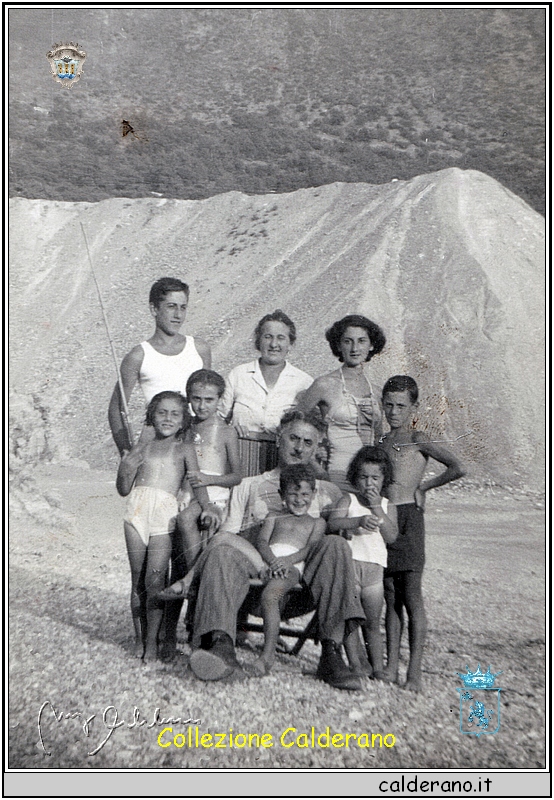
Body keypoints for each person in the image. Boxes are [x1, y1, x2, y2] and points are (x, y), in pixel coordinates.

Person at [187, 409, 366, 690]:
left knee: (336, 543)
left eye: (308, 442)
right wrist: (265, 563)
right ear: (278, 438)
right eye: (294, 438)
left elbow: (336, 548)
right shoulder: (250, 485)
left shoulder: (328, 492)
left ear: (318, 447)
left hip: (303, 589)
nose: (299, 447)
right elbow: (229, 534)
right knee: (222, 549)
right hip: (250, 587)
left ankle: (331, 653)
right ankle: (222, 646)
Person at [378, 375, 465, 691]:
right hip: (386, 518)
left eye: (401, 405)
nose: (393, 411)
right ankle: (389, 667)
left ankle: (414, 674)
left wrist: (425, 487)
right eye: (388, 404)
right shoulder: (380, 442)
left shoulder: (419, 438)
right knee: (390, 595)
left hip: (410, 518)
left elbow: (458, 467)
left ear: (413, 406)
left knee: (411, 595)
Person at [116, 391, 217, 662]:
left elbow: (196, 481)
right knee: (137, 578)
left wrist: (206, 505)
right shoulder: (142, 448)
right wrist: (124, 468)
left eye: (175, 413)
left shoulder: (184, 449)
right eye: (162, 412)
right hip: (137, 509)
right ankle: (140, 639)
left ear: (184, 418)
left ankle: (153, 643)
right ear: (151, 415)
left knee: (155, 579)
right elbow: (124, 489)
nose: (168, 418)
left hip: (164, 513)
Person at [158, 370, 242, 648]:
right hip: (186, 492)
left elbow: (236, 476)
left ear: (220, 399)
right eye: (196, 399)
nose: (202, 405)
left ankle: (195, 578)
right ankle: (167, 632)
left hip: (213, 494)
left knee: (187, 519)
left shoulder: (226, 432)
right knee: (174, 551)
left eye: (209, 399)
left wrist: (209, 479)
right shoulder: (185, 428)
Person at [108, 277, 211, 455]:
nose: (178, 315)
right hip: (156, 445)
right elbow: (116, 408)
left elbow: (210, 397)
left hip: (194, 442)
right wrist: (126, 450)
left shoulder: (199, 349)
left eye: (183, 307)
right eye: (171, 306)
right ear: (154, 309)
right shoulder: (139, 355)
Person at [328, 446, 398, 679]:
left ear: (384, 479)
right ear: (354, 478)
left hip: (374, 571)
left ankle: (377, 667)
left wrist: (377, 507)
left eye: (375, 477)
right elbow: (332, 523)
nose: (369, 483)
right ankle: (356, 663)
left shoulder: (387, 505)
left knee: (372, 622)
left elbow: (391, 536)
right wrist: (356, 521)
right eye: (364, 477)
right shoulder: (348, 500)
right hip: (351, 566)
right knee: (351, 620)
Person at [252, 464, 326, 676]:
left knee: (270, 595)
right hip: (267, 562)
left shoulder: (316, 522)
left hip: (293, 567)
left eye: (305, 494)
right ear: (281, 494)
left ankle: (267, 656)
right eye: (293, 493)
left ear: (314, 494)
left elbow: (309, 548)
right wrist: (273, 562)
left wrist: (286, 562)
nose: (299, 499)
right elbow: (262, 542)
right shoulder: (273, 517)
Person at [296, 314, 386, 490]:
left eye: (361, 341)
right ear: (338, 345)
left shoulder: (376, 391)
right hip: (336, 474)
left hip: (369, 480)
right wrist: (314, 463)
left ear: (371, 345)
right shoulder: (324, 384)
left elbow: (378, 439)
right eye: (347, 341)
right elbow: (292, 424)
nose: (354, 348)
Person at [219, 310, 312, 475]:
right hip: (239, 461)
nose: (274, 344)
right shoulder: (238, 375)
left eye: (281, 338)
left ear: (290, 343)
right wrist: (230, 430)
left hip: (283, 466)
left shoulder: (304, 382)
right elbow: (219, 419)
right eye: (268, 337)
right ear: (258, 341)